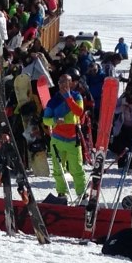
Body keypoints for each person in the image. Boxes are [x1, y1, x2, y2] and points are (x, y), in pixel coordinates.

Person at [44, 70, 89, 200]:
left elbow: (79, 112)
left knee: (77, 168)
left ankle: (81, 193)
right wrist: (53, 121)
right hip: (57, 140)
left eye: (67, 81)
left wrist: (69, 97)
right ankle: (61, 193)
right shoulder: (53, 100)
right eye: (61, 82)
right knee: (58, 169)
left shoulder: (77, 96)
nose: (64, 84)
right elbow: (45, 119)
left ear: (72, 83)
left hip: (72, 139)